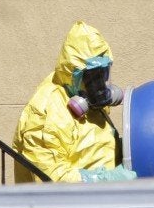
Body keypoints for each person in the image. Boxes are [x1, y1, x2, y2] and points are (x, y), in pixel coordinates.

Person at [12, 21, 137, 183]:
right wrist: (104, 180)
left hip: (100, 203)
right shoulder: (46, 113)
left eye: (103, 74)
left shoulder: (90, 105)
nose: (99, 86)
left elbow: (96, 148)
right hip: (69, 206)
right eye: (92, 77)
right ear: (72, 75)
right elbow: (52, 178)